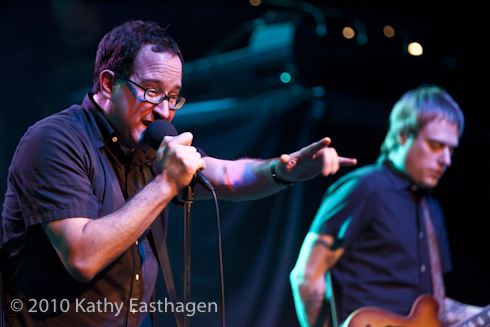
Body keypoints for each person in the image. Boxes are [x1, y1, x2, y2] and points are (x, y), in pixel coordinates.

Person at [0, 20, 356, 327]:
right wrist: (167, 182)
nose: (165, 111)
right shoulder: (55, 140)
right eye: (153, 91)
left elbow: (228, 177)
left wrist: (283, 170)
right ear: (108, 84)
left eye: (174, 97)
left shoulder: (147, 144)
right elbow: (82, 257)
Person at [290, 85, 482, 327]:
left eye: (451, 149)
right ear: (403, 136)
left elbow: (438, 305)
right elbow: (306, 276)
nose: (446, 159)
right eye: (436, 145)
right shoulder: (365, 187)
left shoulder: (431, 209)